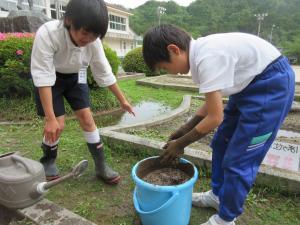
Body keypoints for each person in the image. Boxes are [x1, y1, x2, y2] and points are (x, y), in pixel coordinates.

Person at [142, 24, 295, 225]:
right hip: (248, 86)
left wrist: (181, 144)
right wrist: (184, 129)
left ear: (174, 49)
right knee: (221, 144)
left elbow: (215, 118)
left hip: (271, 86)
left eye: (164, 67)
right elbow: (211, 103)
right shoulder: (202, 54)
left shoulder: (208, 57)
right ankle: (218, 195)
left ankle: (226, 218)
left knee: (239, 159)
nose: (169, 72)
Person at [31, 0, 135, 185]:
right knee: (58, 123)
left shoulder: (93, 42)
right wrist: (50, 118)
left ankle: (101, 165)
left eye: (95, 35)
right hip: (50, 80)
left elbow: (104, 72)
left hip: (75, 78)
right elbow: (42, 75)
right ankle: (48, 160)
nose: (88, 39)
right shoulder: (48, 33)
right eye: (85, 32)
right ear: (70, 20)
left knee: (87, 119)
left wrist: (123, 101)